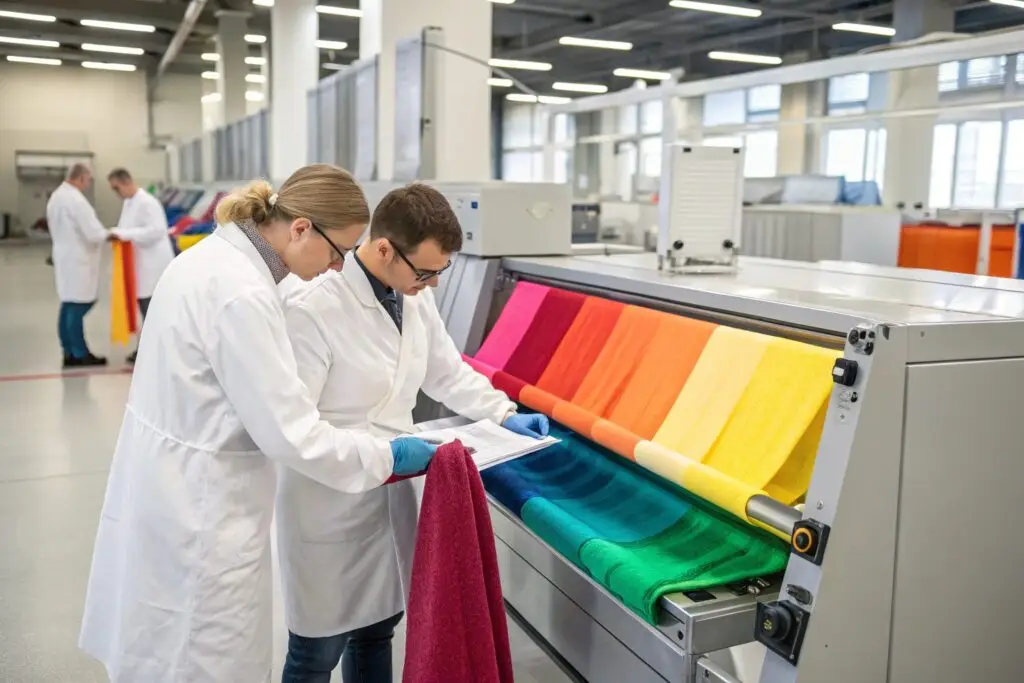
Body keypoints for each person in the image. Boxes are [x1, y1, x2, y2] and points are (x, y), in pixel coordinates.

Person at [78, 165, 441, 683]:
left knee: (168, 649)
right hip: (203, 508)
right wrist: (389, 457)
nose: (340, 268)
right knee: (202, 655)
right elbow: (292, 433)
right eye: (339, 251)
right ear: (300, 230)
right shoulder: (243, 296)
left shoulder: (211, 259)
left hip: (171, 487)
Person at [277, 183, 549, 683]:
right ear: (384, 248)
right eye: (425, 271)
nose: (433, 283)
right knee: (317, 650)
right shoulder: (311, 305)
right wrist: (385, 455)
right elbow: (298, 427)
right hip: (328, 497)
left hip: (395, 492)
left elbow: (447, 372)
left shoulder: (410, 295)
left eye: (439, 272)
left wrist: (504, 414)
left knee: (378, 629)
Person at [107, 167, 175, 364]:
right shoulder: (129, 203)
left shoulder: (147, 202)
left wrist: (125, 235)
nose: (116, 193)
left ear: (127, 182)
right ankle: (147, 348)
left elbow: (156, 230)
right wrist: (117, 234)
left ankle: (154, 351)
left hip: (153, 265)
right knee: (144, 309)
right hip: (139, 265)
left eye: (116, 188)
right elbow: (126, 227)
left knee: (152, 311)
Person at [47, 162, 111, 368]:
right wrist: (111, 235)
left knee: (68, 304)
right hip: (78, 258)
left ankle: (68, 351)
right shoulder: (75, 200)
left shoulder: (57, 197)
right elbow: (93, 233)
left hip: (65, 256)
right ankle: (79, 353)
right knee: (78, 305)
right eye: (88, 180)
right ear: (82, 178)